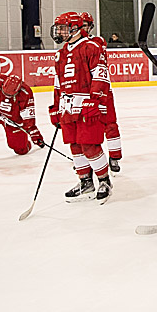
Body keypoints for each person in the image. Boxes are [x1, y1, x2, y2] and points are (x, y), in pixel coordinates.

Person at [49, 12, 114, 203]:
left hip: (87, 105)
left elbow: (101, 76)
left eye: (63, 28)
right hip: (67, 107)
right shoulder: (60, 54)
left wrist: (95, 100)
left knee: (90, 145)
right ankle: (85, 181)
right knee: (75, 145)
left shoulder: (91, 47)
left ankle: (104, 181)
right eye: (58, 29)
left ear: (75, 29)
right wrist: (55, 107)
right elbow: (57, 83)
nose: (59, 32)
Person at [78, 13, 124, 173]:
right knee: (84, 128)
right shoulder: (73, 46)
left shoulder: (97, 42)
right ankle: (88, 157)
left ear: (90, 26)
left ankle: (114, 157)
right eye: (80, 25)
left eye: (85, 25)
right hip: (83, 94)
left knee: (110, 124)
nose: (82, 28)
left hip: (103, 90)